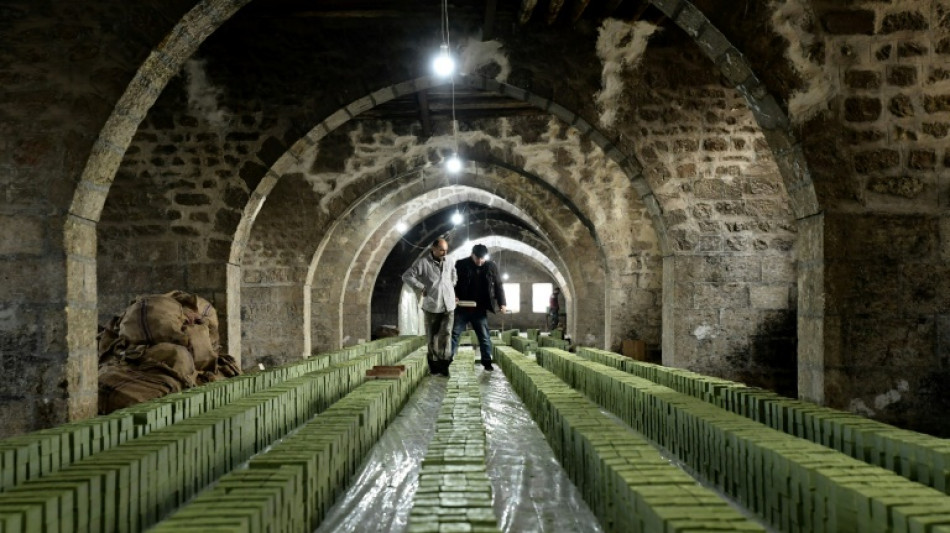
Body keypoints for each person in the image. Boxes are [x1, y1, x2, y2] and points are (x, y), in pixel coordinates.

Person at [402, 238, 456, 376]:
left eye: (446, 250)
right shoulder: (423, 263)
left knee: (446, 334)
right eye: (441, 250)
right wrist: (420, 287)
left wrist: (450, 287)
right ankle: (434, 365)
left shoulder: (449, 261)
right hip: (432, 306)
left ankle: (445, 365)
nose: (445, 252)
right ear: (433, 248)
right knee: (432, 337)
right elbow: (407, 276)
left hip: (448, 305)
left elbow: (454, 275)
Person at [451, 243, 506, 371]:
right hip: (462, 307)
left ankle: (487, 362)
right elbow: (452, 283)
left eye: (483, 259)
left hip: (480, 308)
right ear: (472, 255)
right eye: (477, 258)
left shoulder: (491, 266)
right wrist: (454, 296)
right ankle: (448, 359)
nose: (480, 262)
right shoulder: (461, 264)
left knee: (484, 336)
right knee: (454, 334)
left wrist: (502, 303)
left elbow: (498, 285)